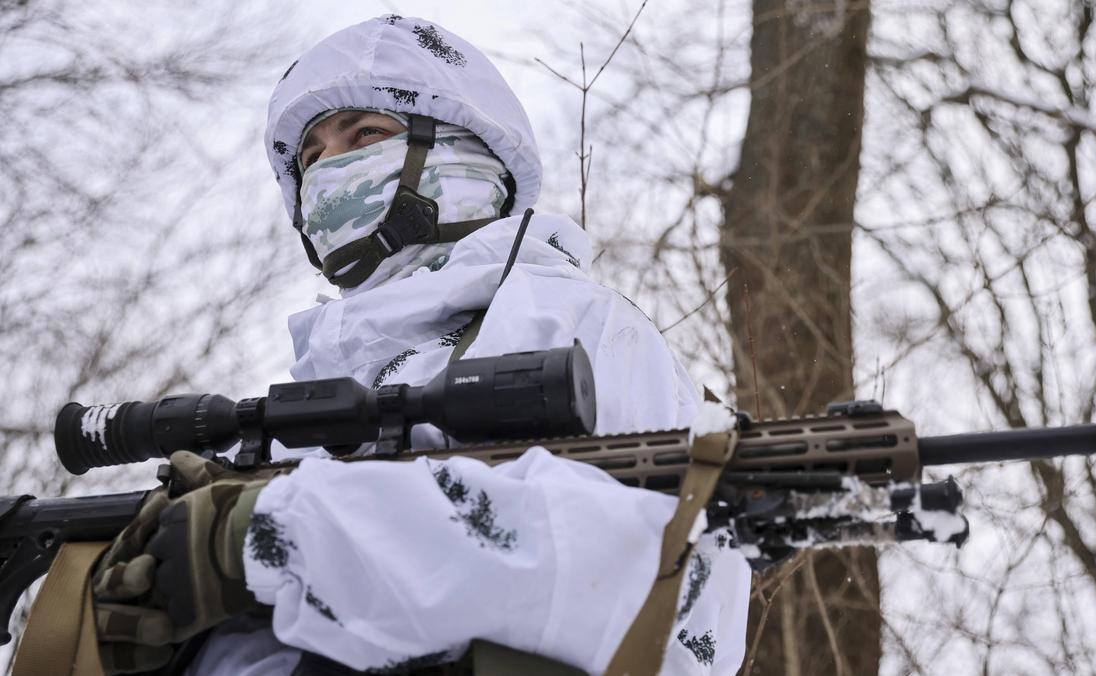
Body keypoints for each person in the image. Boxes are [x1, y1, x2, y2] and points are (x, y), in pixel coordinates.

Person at [90, 16, 750, 675]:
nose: (329, 171)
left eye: (364, 134)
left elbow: (658, 588)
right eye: (312, 156)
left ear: (460, 146)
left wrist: (268, 537)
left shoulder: (572, 320)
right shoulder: (316, 387)